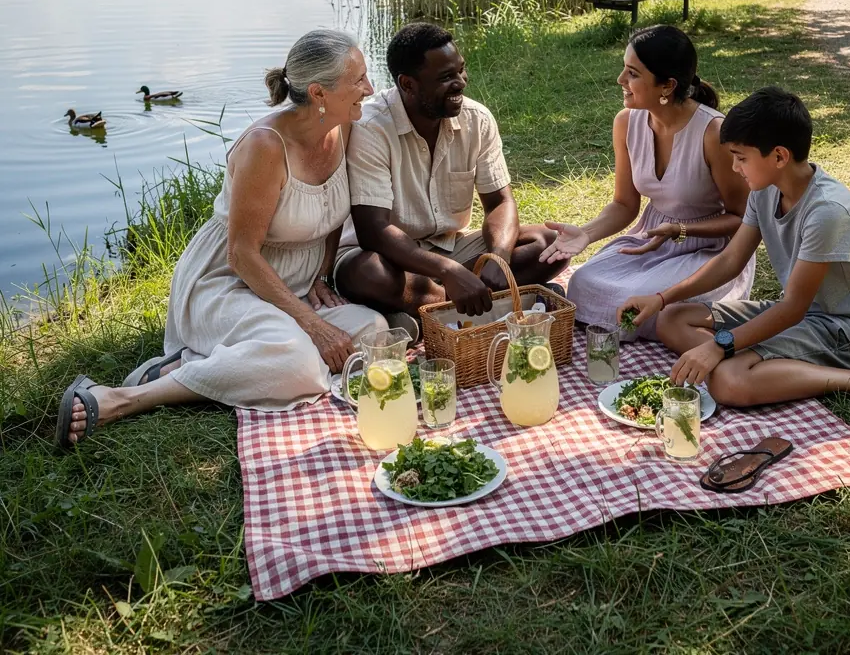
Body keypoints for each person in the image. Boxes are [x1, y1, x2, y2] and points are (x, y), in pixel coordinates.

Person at [55, 29, 388, 448]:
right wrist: (313, 327)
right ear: (319, 93)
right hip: (229, 282)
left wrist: (321, 276)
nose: (369, 89)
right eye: (358, 80)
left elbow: (330, 211)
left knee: (374, 331)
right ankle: (127, 396)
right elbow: (242, 255)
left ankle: (221, 359)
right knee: (299, 365)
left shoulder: (346, 128)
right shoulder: (265, 147)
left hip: (297, 287)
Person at [617, 87, 850, 430]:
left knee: (727, 382)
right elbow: (730, 261)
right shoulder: (766, 189)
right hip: (800, 316)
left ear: (780, 156)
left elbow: (793, 308)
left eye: (741, 157)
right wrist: (661, 297)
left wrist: (720, 347)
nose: (735, 168)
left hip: (844, 327)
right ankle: (761, 363)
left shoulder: (827, 211)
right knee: (671, 319)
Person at [334, 22, 568, 322]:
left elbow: (500, 202)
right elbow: (374, 231)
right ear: (408, 84)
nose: (461, 82)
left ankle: (427, 311)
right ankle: (491, 304)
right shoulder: (371, 128)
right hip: (391, 259)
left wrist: (499, 256)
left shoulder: (477, 119)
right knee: (368, 274)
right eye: (446, 77)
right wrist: (449, 272)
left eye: (461, 70)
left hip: (453, 247)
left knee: (549, 244)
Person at [540, 25, 754, 338]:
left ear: (667, 85)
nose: (620, 81)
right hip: (651, 241)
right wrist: (586, 234)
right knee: (582, 283)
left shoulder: (712, 133)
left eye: (633, 73)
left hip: (711, 250)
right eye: (624, 70)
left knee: (637, 302)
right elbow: (625, 204)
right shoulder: (626, 122)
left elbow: (743, 218)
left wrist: (681, 230)